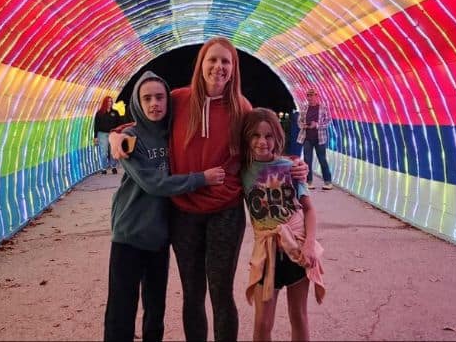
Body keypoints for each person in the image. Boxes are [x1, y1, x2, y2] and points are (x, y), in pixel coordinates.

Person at [111, 37, 308, 341]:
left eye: (225, 61)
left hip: (225, 213)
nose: (218, 67)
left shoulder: (241, 106)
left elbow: (260, 146)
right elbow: (146, 124)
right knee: (192, 293)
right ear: (201, 64)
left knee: (220, 292)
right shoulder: (177, 99)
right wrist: (116, 134)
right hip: (184, 211)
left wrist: (293, 166)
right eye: (212, 60)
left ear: (233, 68)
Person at [103, 71, 226, 342]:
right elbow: (154, 184)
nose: (154, 104)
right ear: (137, 102)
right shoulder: (130, 138)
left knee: (155, 309)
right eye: (146, 99)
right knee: (121, 309)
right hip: (130, 234)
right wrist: (201, 179)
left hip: (160, 237)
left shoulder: (173, 134)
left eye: (159, 97)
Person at [240, 108, 324, 341]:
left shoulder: (291, 168)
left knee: (298, 315)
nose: (262, 142)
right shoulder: (242, 171)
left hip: (296, 249)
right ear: (246, 137)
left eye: (268, 136)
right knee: (262, 321)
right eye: (255, 135)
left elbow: (309, 209)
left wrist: (309, 244)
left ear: (277, 136)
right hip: (265, 254)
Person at [297, 88, 333, 190]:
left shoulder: (323, 107)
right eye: (308, 96)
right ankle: (309, 182)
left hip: (320, 138)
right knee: (307, 160)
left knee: (322, 159)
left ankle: (328, 182)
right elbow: (299, 121)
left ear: (317, 96)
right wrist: (303, 125)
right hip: (307, 137)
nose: (310, 98)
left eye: (312, 95)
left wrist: (316, 125)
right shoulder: (304, 108)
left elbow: (328, 121)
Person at [94, 95, 122, 174]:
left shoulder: (115, 113)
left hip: (113, 134)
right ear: (105, 103)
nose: (110, 103)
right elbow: (96, 125)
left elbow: (119, 124)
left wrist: (118, 134)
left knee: (112, 151)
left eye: (111, 101)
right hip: (102, 134)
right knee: (104, 152)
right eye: (108, 101)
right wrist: (95, 137)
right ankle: (103, 168)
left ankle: (113, 166)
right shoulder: (99, 113)